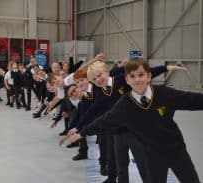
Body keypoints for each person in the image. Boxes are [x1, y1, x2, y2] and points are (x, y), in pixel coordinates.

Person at [69, 57, 202, 183]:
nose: (137, 79)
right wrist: (81, 132)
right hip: (150, 153)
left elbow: (191, 100)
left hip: (176, 150)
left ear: (148, 76)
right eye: (132, 77)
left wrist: (165, 67)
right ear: (127, 80)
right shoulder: (124, 104)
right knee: (120, 161)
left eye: (141, 75)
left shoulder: (163, 93)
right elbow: (102, 119)